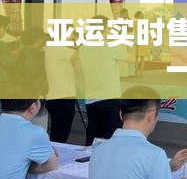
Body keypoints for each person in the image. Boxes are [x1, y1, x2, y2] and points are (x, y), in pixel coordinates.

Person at [79, 15, 135, 146]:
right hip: (110, 99)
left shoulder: (83, 47)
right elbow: (132, 58)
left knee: (93, 139)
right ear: (104, 28)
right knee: (112, 139)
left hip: (91, 100)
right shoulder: (109, 46)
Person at [44, 42, 78, 143]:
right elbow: (79, 55)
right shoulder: (57, 48)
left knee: (58, 133)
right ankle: (53, 152)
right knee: (60, 134)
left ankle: (53, 151)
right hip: (62, 98)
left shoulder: (52, 49)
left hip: (58, 97)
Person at [134, 11, 150, 78]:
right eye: (141, 15)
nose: (142, 16)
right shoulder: (134, 23)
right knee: (136, 57)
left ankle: (141, 72)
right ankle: (136, 71)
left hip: (144, 41)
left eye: (142, 15)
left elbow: (147, 31)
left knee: (143, 57)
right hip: (138, 40)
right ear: (137, 16)